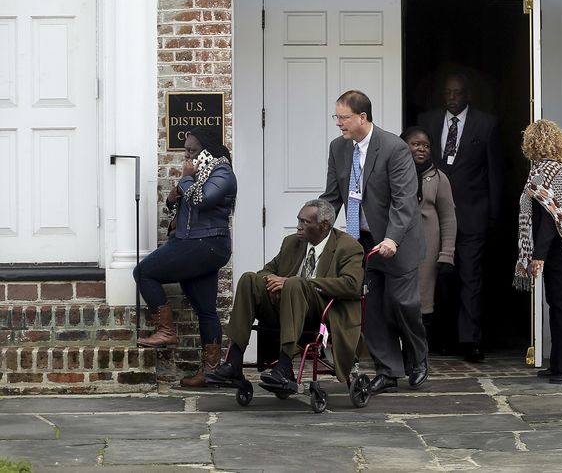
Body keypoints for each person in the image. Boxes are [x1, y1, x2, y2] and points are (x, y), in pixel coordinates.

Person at [321, 90, 428, 395]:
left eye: (343, 117)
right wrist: (314, 225)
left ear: (362, 118)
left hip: (399, 240)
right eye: (337, 117)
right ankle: (389, 371)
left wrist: (392, 238)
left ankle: (418, 357)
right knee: (369, 309)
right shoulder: (338, 149)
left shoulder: (393, 148)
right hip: (362, 240)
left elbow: (404, 201)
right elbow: (332, 195)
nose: (338, 123)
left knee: (401, 304)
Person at [206, 200, 364, 391]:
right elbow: (265, 272)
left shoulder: (348, 246)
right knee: (249, 279)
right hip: (285, 308)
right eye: (299, 220)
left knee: (295, 283)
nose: (298, 226)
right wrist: (273, 283)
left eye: (305, 222)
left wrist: (296, 284)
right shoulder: (292, 242)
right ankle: (234, 363)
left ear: (324, 226)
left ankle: (284, 366)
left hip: (322, 313)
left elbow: (352, 285)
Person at [133, 128, 237, 388]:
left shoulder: (222, 171)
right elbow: (182, 204)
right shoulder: (201, 173)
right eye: (186, 151)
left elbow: (202, 200)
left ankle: (166, 331)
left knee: (144, 272)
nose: (187, 155)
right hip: (198, 243)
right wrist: (173, 197)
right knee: (206, 310)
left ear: (206, 148)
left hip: (205, 243)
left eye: (192, 150)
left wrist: (186, 180)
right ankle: (210, 373)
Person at [418, 73, 502, 362]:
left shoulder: (486, 124)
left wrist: (493, 215)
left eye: (458, 93)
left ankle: (470, 341)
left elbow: (494, 173)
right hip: (433, 216)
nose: (453, 98)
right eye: (448, 93)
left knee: (470, 278)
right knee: (438, 278)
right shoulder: (427, 121)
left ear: (468, 95)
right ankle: (441, 338)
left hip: (471, 216)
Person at [514, 119, 562, 384]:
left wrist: (539, 255)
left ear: (533, 142)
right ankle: (561, 363)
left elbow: (550, 218)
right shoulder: (561, 168)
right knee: (559, 303)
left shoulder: (547, 170)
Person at [400, 126, 457, 345]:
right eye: (415, 144)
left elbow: (449, 218)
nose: (421, 149)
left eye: (426, 146)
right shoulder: (394, 175)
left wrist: (447, 254)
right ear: (403, 146)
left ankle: (419, 352)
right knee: (398, 300)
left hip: (428, 252)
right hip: (398, 248)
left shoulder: (439, 178)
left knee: (423, 302)